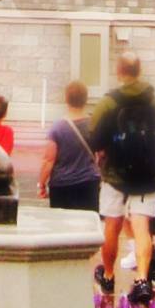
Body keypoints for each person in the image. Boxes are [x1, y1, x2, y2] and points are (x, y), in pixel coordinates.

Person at [87, 52, 155, 304]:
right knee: (142, 227)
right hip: (147, 175)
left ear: (119, 71)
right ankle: (142, 279)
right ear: (139, 70)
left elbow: (94, 137)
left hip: (115, 174)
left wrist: (104, 153)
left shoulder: (109, 102)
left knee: (112, 225)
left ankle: (109, 275)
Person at [37, 80, 100, 213]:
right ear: (86, 99)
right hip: (89, 182)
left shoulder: (57, 128)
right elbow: (101, 153)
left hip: (62, 185)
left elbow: (48, 160)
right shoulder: (94, 124)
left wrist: (41, 183)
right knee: (87, 225)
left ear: (66, 99)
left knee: (62, 227)